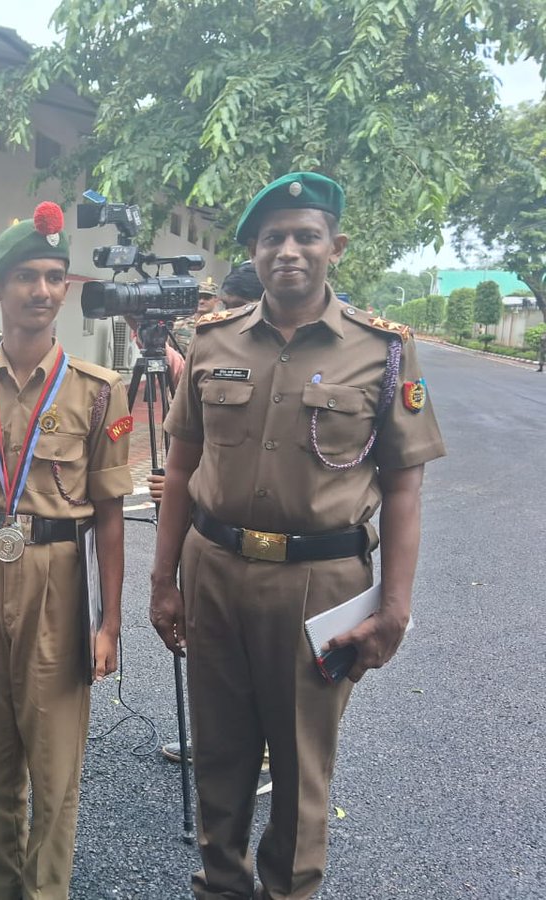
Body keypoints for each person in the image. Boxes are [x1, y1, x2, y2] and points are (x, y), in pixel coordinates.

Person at [150, 172, 446, 900]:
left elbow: (403, 489)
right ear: (253, 250)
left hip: (322, 586)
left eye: (306, 236)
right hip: (215, 570)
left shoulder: (384, 352)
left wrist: (395, 608)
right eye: (272, 238)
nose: (288, 250)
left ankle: (289, 890)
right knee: (219, 752)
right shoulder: (211, 340)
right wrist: (163, 581)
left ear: (334, 247)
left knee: (301, 762)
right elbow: (181, 467)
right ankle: (221, 885)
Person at [0, 202, 132, 899]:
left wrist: (109, 624)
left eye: (53, 277)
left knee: (53, 767)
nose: (42, 291)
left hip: (57, 573)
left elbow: (111, 515)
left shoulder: (98, 392)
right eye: (26, 276)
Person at [171, 276, 221, 354]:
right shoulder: (179, 323)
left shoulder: (221, 325)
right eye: (198, 297)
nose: (201, 301)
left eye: (207, 298)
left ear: (216, 300)